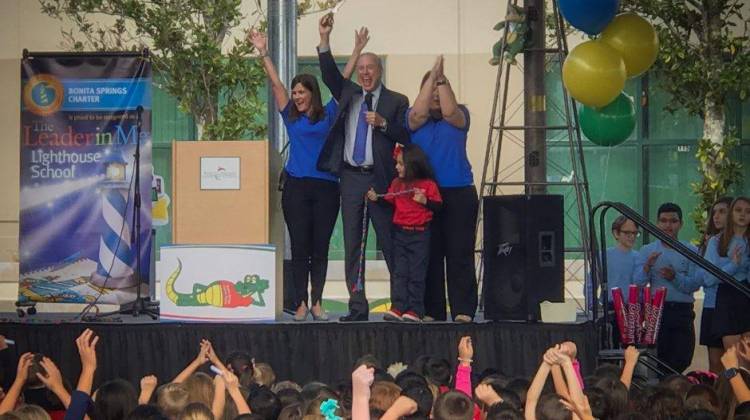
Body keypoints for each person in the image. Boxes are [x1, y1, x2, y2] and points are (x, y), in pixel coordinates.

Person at [249, 28, 364, 322]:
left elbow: (342, 83)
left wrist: (356, 49)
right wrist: (263, 52)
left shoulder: (328, 113)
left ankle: (317, 303)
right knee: (300, 246)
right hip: (296, 187)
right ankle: (300, 303)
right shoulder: (291, 116)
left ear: (312, 93)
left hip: (326, 187)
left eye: (301, 92)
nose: (297, 96)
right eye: (295, 92)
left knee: (320, 247)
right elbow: (276, 85)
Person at [316, 14, 410, 322]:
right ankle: (357, 306)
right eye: (361, 69)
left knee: (388, 239)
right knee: (353, 243)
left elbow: (406, 135)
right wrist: (325, 39)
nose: (365, 73)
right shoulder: (348, 94)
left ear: (380, 70)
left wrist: (383, 124)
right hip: (351, 178)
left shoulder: (396, 100)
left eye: (370, 68)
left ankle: (400, 304)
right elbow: (329, 74)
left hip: (381, 179)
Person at [407, 55, 477, 322]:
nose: (435, 94)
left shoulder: (461, 116)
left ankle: (463, 309)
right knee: (431, 254)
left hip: (459, 192)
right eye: (431, 89)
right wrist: (431, 76)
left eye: (440, 88)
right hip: (425, 195)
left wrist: (441, 77)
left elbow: (449, 111)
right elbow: (419, 112)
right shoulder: (413, 120)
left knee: (460, 252)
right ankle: (433, 311)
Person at [367, 144, 442, 322]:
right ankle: (398, 306)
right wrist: (376, 198)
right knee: (400, 272)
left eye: (401, 164)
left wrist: (425, 201)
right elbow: (388, 200)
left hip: (420, 234)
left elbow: (438, 206)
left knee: (416, 273)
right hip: (400, 234)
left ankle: (415, 308)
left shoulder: (428, 185)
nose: (397, 167)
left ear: (412, 165)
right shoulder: (397, 184)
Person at [633, 202, 701, 373]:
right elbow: (638, 284)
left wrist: (674, 277)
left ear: (681, 224)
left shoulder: (691, 250)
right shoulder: (647, 250)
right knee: (659, 360)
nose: (668, 225)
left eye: (673, 221)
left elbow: (694, 284)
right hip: (657, 311)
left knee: (683, 358)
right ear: (657, 223)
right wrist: (648, 266)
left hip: (683, 311)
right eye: (663, 221)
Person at [697, 197, 733, 374]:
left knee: (737, 365)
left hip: (737, 307)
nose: (716, 216)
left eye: (722, 211)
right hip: (713, 305)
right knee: (716, 365)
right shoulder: (713, 242)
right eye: (714, 212)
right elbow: (708, 278)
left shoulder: (744, 242)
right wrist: (734, 266)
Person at [709, 197, 750, 350]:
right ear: (731, 213)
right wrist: (733, 265)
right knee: (732, 359)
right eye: (738, 210)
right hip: (727, 297)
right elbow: (709, 278)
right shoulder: (716, 241)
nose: (743, 215)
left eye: (748, 211)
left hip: (746, 294)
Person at [604, 216, 640, 346]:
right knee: (610, 345)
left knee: (631, 348)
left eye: (635, 233)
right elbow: (592, 282)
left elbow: (640, 282)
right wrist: (594, 305)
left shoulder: (639, 256)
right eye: (627, 233)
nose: (632, 236)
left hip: (632, 308)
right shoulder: (605, 255)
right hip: (610, 308)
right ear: (616, 233)